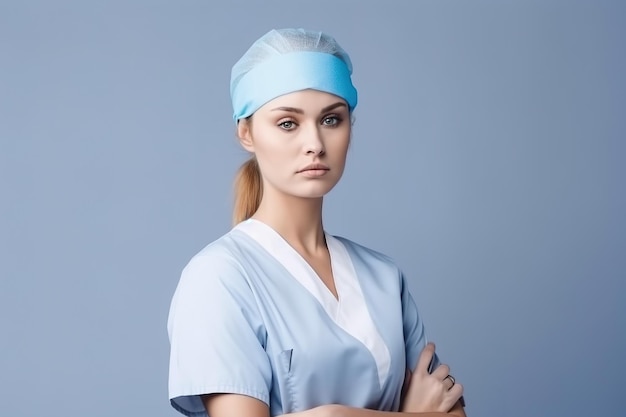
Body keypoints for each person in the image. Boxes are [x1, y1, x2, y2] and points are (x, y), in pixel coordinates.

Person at [167, 28, 466, 417]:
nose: (315, 143)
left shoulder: (384, 278)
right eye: (288, 123)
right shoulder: (218, 278)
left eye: (331, 119)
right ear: (247, 133)